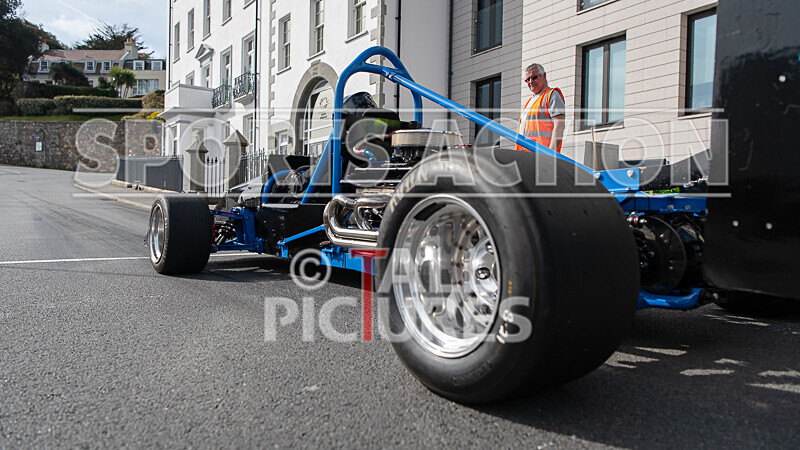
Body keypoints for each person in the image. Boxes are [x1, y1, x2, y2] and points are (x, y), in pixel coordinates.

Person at [516, 63, 565, 153]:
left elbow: (559, 126)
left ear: (544, 76)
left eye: (534, 77)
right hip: (526, 155)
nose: (530, 81)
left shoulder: (552, 95)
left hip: (542, 156)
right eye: (527, 80)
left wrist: (551, 154)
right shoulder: (530, 102)